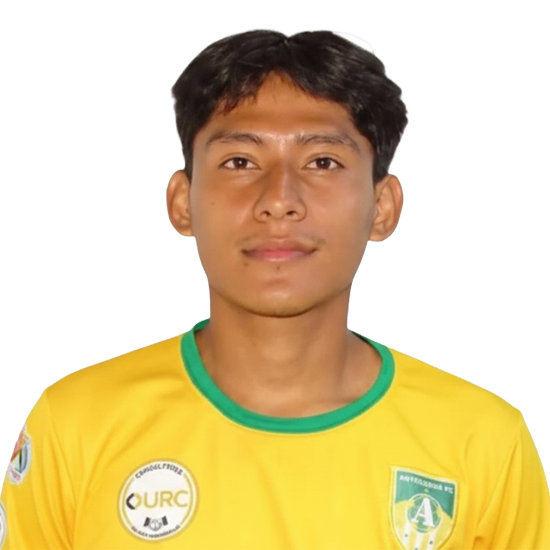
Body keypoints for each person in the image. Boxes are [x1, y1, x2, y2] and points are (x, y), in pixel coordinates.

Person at [1, 28, 549, 550]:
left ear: (381, 208)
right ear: (181, 202)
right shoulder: (76, 425)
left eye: (323, 162)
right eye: (240, 161)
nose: (280, 199)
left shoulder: (482, 442)